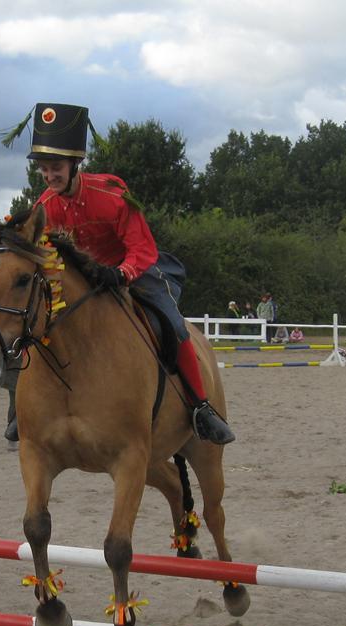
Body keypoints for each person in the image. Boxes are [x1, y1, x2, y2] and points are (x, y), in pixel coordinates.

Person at [25, 102, 233, 443]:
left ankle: (201, 407)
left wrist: (121, 274)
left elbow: (142, 248)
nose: (50, 176)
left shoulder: (111, 194)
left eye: (56, 168)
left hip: (131, 273)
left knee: (172, 323)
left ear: (76, 164)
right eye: (45, 170)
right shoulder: (43, 207)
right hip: (80, 284)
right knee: (34, 323)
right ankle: (26, 410)